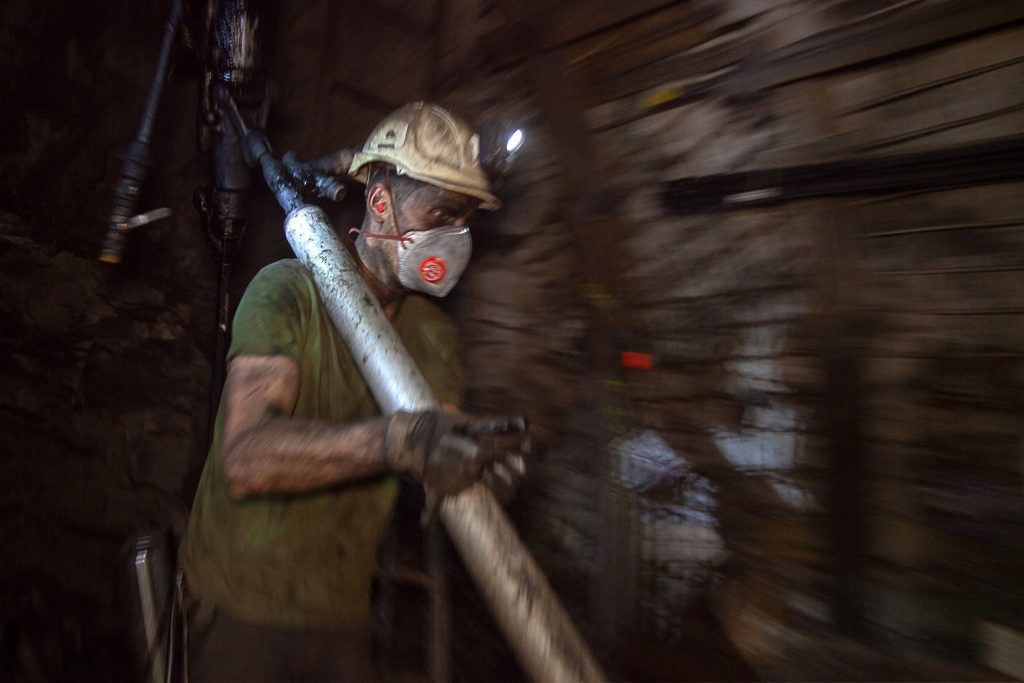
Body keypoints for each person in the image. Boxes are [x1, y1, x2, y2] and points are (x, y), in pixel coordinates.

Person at [179, 101, 528, 682]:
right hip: (239, 605)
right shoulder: (287, 292)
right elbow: (245, 458)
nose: (452, 238)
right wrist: (397, 443)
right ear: (381, 202)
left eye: (463, 221)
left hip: (341, 616)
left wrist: (477, 461)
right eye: (439, 212)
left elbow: (431, 452)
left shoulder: (433, 337)